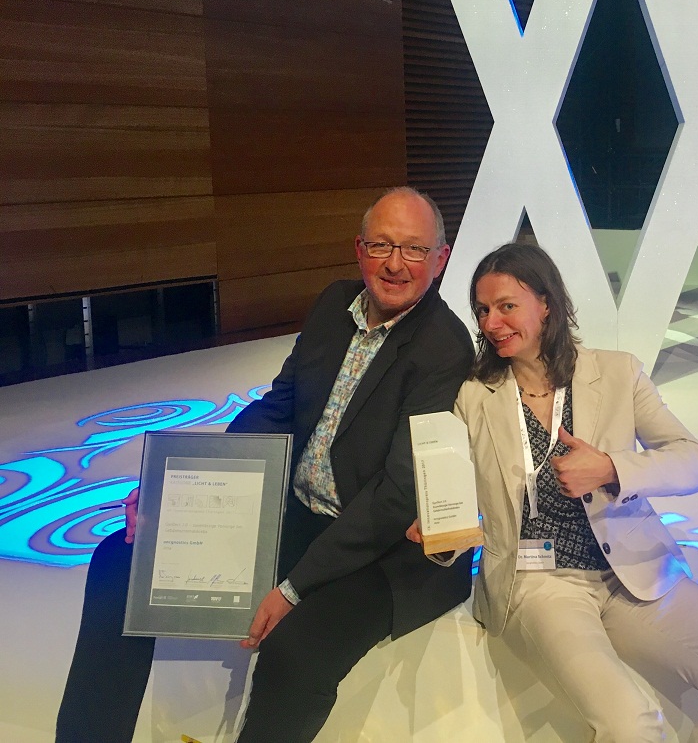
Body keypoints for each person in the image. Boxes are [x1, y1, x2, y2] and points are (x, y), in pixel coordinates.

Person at [57, 187, 475, 743]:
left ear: (440, 259)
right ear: (359, 249)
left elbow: (395, 495)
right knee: (121, 562)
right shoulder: (334, 305)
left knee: (295, 649)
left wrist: (292, 589)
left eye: (414, 249)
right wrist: (178, 496)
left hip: (382, 550)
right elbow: (276, 409)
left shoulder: (445, 346)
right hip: (298, 513)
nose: (395, 263)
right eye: (381, 245)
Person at [410, 242, 698, 742]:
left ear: (546, 304)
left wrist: (611, 468)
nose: (491, 323)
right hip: (539, 583)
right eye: (482, 310)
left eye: (506, 306)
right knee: (631, 721)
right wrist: (442, 534)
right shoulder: (473, 397)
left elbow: (694, 462)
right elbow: (465, 505)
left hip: (632, 573)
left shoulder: (616, 373)